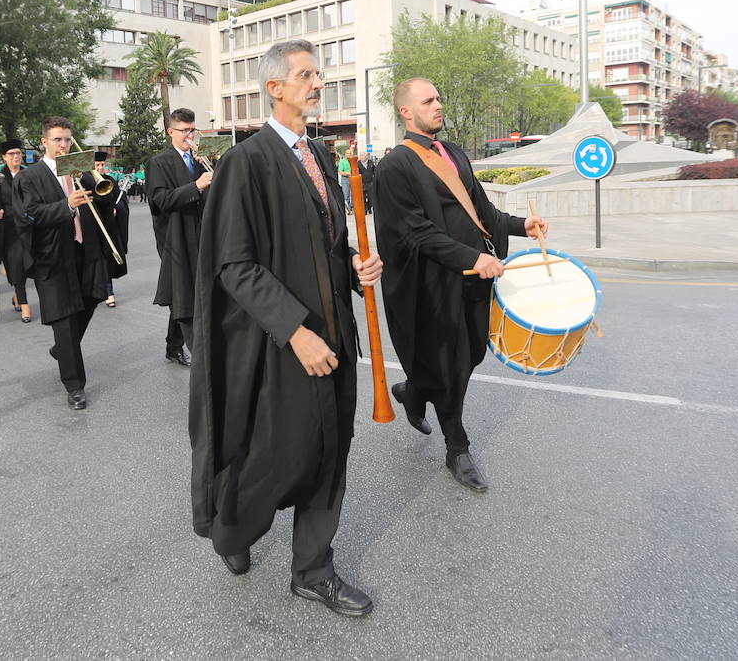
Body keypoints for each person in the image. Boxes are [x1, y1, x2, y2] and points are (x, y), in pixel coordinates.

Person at [190, 38, 383, 617]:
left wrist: (354, 266)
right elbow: (234, 264)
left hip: (336, 333)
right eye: (306, 75)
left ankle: (312, 569)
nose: (317, 83)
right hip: (281, 343)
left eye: (318, 74)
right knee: (277, 454)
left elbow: (325, 244)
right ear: (274, 88)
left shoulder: (322, 157)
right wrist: (297, 331)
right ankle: (233, 530)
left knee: (331, 450)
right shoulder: (244, 163)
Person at [372, 78, 546, 493]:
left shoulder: (452, 153)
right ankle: (457, 447)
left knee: (470, 356)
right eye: (428, 100)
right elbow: (413, 232)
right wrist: (472, 257)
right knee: (450, 367)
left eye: (439, 97)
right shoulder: (395, 166)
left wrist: (522, 225)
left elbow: (481, 210)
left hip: (472, 280)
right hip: (431, 286)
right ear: (406, 112)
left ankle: (413, 392)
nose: (438, 104)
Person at [15, 117, 115, 411]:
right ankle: (75, 385)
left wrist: (101, 185)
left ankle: (62, 350)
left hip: (86, 251)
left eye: (68, 139)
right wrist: (65, 205)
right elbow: (27, 215)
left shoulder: (81, 172)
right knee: (65, 318)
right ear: (44, 141)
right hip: (53, 256)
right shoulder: (29, 177)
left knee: (93, 299)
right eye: (58, 139)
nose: (64, 145)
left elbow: (103, 206)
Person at [146, 108, 211, 365]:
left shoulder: (199, 158)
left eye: (192, 130)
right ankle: (201, 354)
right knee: (184, 288)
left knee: (182, 288)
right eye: (184, 131)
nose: (189, 136)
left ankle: (173, 346)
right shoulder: (158, 162)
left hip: (199, 232)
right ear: (170, 132)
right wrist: (196, 186)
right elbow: (161, 199)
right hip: (173, 237)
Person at [0, 140, 32, 322]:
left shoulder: (29, 174)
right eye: (11, 154)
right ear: (4, 157)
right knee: (17, 266)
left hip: (30, 227)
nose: (16, 156)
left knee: (29, 265)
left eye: (18, 153)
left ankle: (17, 296)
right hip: (10, 231)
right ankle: (24, 304)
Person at [94, 151, 129, 308]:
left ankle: (109, 292)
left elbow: (121, 201)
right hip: (93, 227)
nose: (101, 167)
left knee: (107, 258)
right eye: (97, 165)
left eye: (102, 165)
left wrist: (117, 209)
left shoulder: (110, 180)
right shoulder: (87, 180)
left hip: (109, 227)